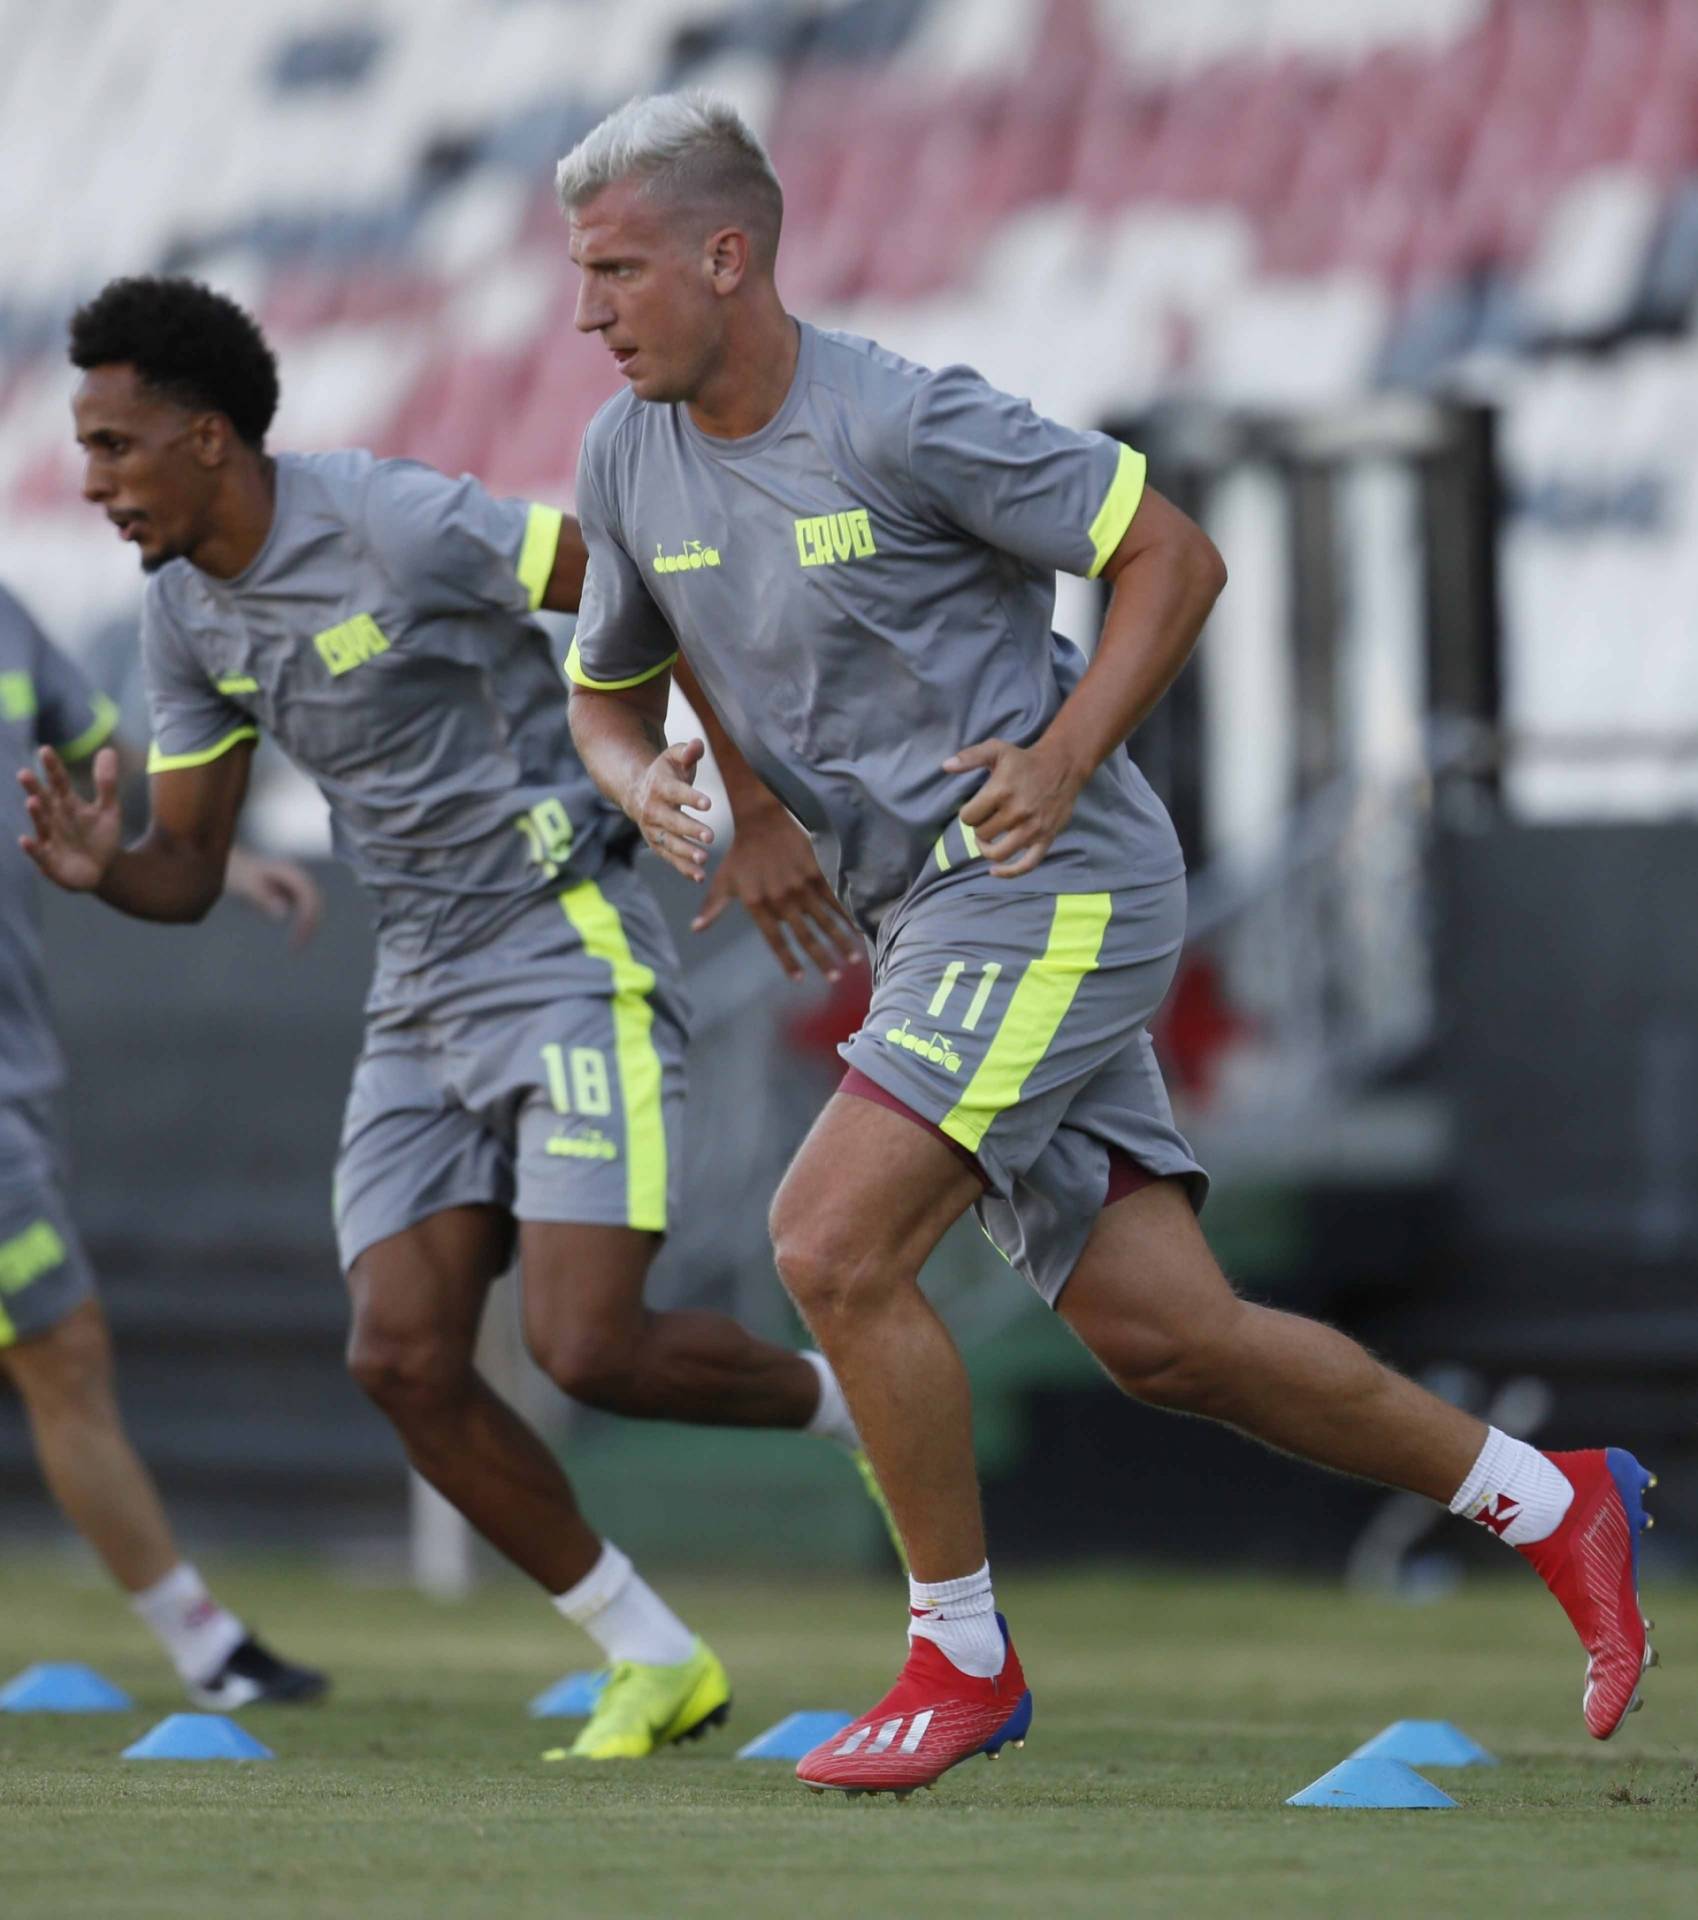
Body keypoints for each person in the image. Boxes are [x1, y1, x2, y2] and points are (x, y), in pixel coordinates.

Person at [554, 91, 1658, 1797]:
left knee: (828, 1242)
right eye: (580, 275)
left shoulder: (904, 417)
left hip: (1048, 879)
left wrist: (1066, 753)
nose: (586, 312)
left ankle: (958, 1658)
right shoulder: (626, 457)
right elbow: (612, 686)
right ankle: (1553, 1500)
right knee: (1169, 1342)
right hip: (927, 920)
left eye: (616, 270)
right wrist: (694, 794)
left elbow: (1171, 554)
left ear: (725, 256)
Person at [20, 274, 876, 1762]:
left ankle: (868, 1404)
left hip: (561, 944)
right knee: (400, 1360)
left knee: (585, 1347)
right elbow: (189, 870)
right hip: (416, 991)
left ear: (208, 437)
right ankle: (651, 1656)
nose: (90, 481)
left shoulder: (394, 520)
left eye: (113, 445)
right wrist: (108, 872)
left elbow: (642, 586)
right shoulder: (181, 618)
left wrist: (743, 802)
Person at [2, 578, 327, 1707]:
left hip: (19, 1067)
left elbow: (103, 765)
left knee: (60, 1355)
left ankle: (202, 1641)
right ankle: (204, 1644)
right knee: (62, 1346)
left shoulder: (9, 620)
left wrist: (210, 860)